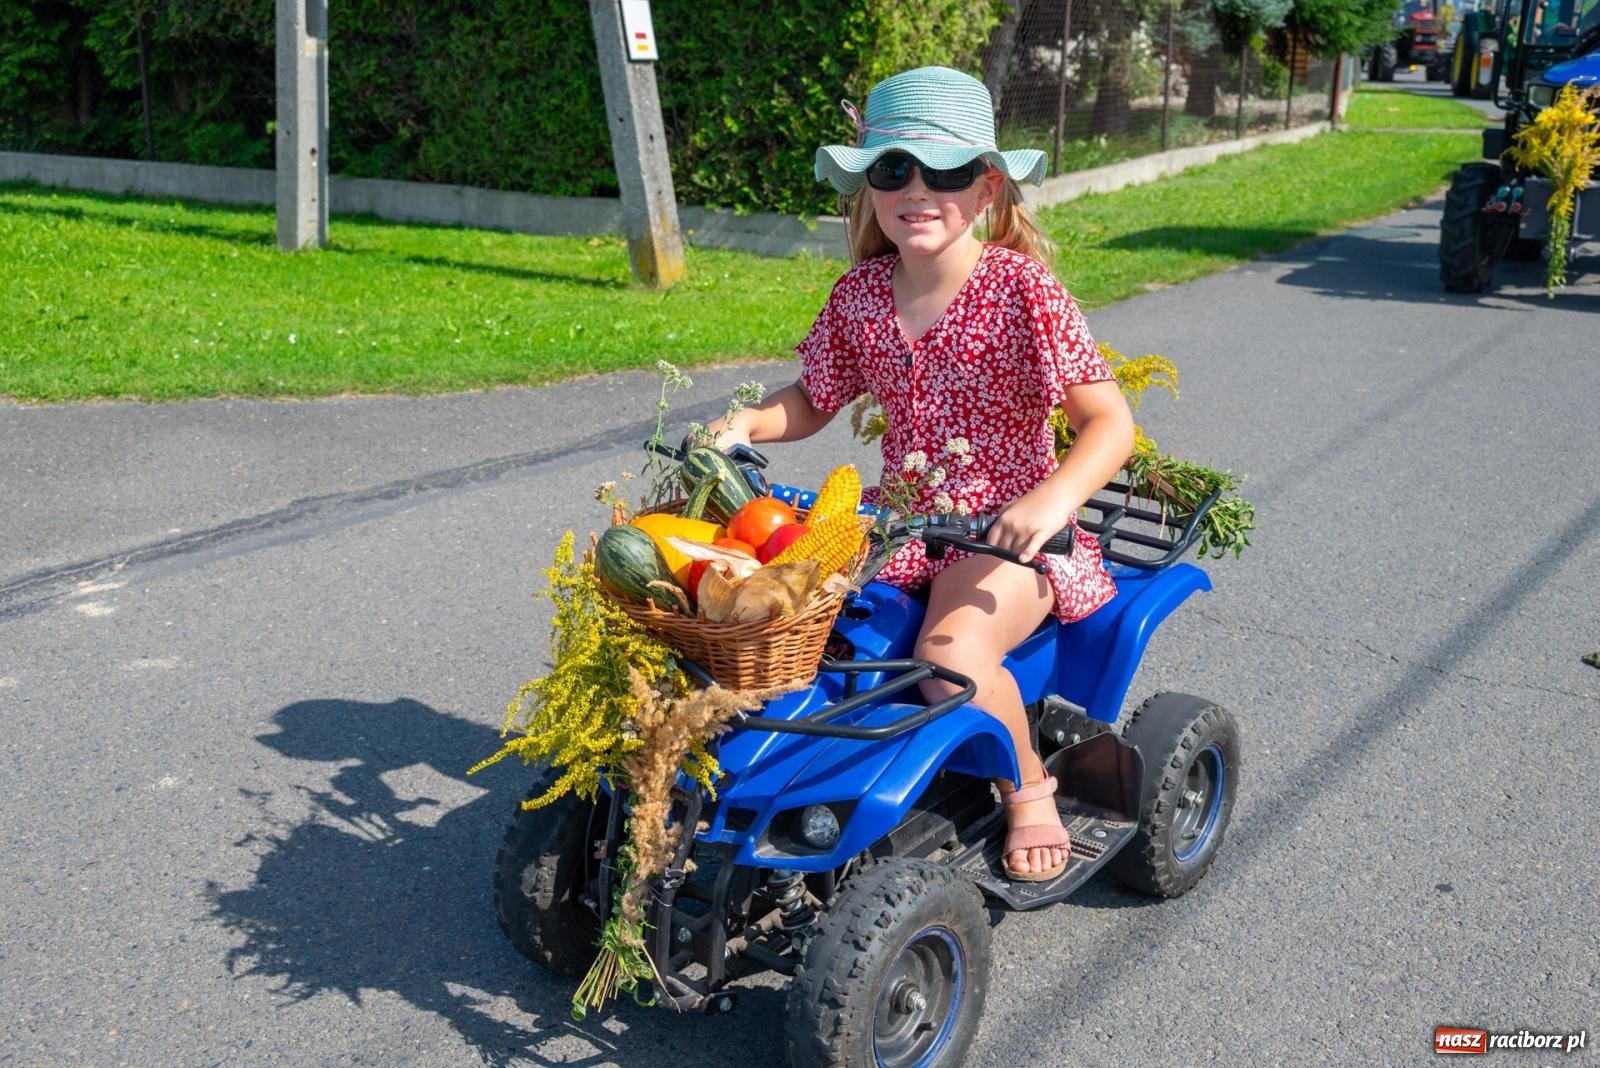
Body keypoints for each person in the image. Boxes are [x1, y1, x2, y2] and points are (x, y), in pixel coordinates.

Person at [706, 66, 1135, 881]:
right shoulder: (864, 293)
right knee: (799, 629)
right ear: (869, 186)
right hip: (901, 522)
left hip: (1012, 535)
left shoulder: (1022, 289)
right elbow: (812, 398)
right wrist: (747, 424)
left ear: (987, 188)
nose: (916, 189)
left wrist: (1050, 502)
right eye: (892, 169)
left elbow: (1109, 424)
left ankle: (1030, 787)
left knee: (949, 650)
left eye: (944, 171)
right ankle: (779, 785)